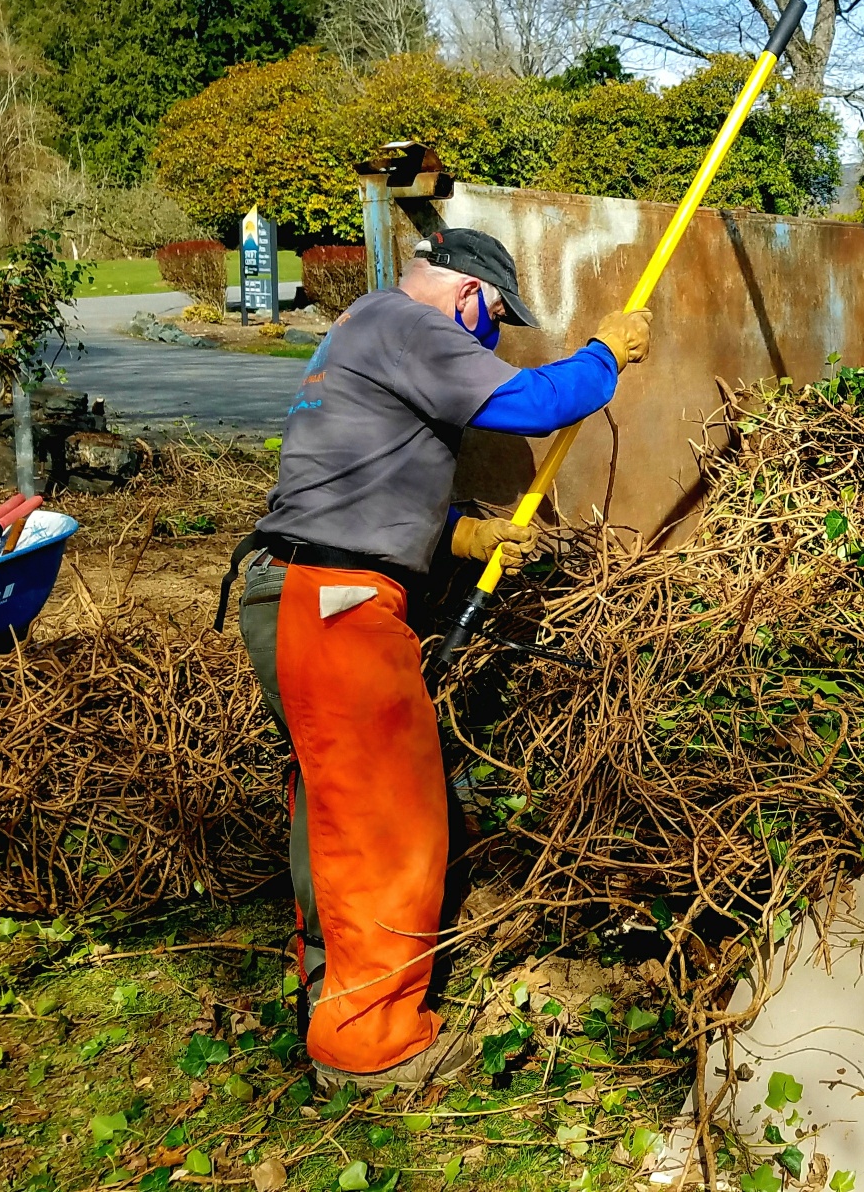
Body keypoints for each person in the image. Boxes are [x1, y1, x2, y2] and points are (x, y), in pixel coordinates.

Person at [224, 226, 652, 1090]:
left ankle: (331, 1000)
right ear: (466, 295)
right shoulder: (409, 321)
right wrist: (606, 353)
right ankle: (370, 1046)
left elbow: (360, 479)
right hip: (336, 604)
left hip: (301, 592)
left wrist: (463, 534)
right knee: (387, 822)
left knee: (333, 815)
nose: (488, 340)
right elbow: (533, 404)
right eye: (493, 320)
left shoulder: (361, 328)